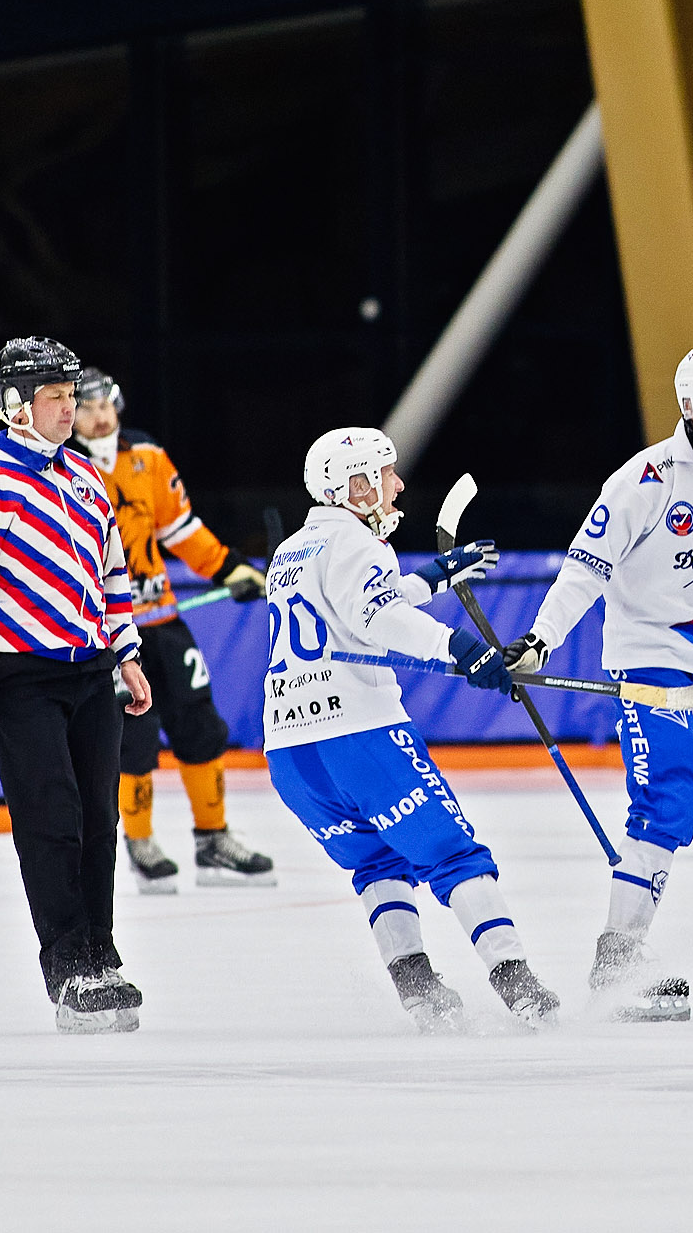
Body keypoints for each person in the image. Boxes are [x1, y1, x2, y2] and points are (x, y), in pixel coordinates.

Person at [499, 346, 693, 1022]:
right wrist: (540, 638)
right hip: (651, 664)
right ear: (691, 408)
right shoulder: (643, 481)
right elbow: (585, 570)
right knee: (667, 799)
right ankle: (617, 959)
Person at [263, 426, 560, 1032]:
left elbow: (357, 608)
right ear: (352, 485)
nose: (396, 485)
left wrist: (435, 577)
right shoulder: (359, 546)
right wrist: (465, 651)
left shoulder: (292, 549)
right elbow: (380, 620)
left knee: (376, 864)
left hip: (291, 752)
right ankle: (519, 985)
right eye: (383, 474)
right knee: (455, 855)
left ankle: (420, 991)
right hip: (361, 737)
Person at [0, 337, 155, 1033]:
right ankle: (67, 969)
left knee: (99, 817)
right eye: (57, 398)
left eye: (72, 395)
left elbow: (113, 578)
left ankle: (100, 952)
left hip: (93, 674)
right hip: (21, 680)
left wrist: (127, 654)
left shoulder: (88, 481)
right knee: (51, 818)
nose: (71, 409)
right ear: (15, 406)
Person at [69, 367, 274, 893]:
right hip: (109, 634)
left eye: (104, 404)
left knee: (200, 725)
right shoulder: (59, 469)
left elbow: (182, 530)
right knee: (131, 739)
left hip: (162, 623)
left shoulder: (149, 459)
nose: (97, 416)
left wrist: (230, 568)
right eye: (85, 406)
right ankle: (138, 842)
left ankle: (213, 838)